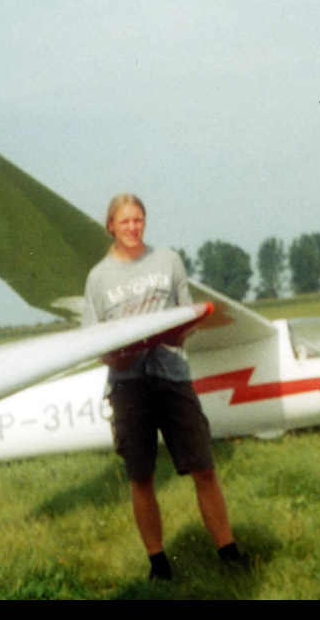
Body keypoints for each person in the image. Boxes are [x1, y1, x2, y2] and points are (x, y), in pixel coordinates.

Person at [82, 194, 244, 580]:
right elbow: (92, 342)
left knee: (203, 467)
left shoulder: (168, 260)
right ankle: (158, 564)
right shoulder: (98, 277)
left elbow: (185, 316)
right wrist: (116, 358)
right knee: (141, 476)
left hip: (173, 376)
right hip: (128, 385)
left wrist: (181, 332)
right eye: (125, 223)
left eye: (138, 220)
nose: (133, 228)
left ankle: (229, 553)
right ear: (111, 226)